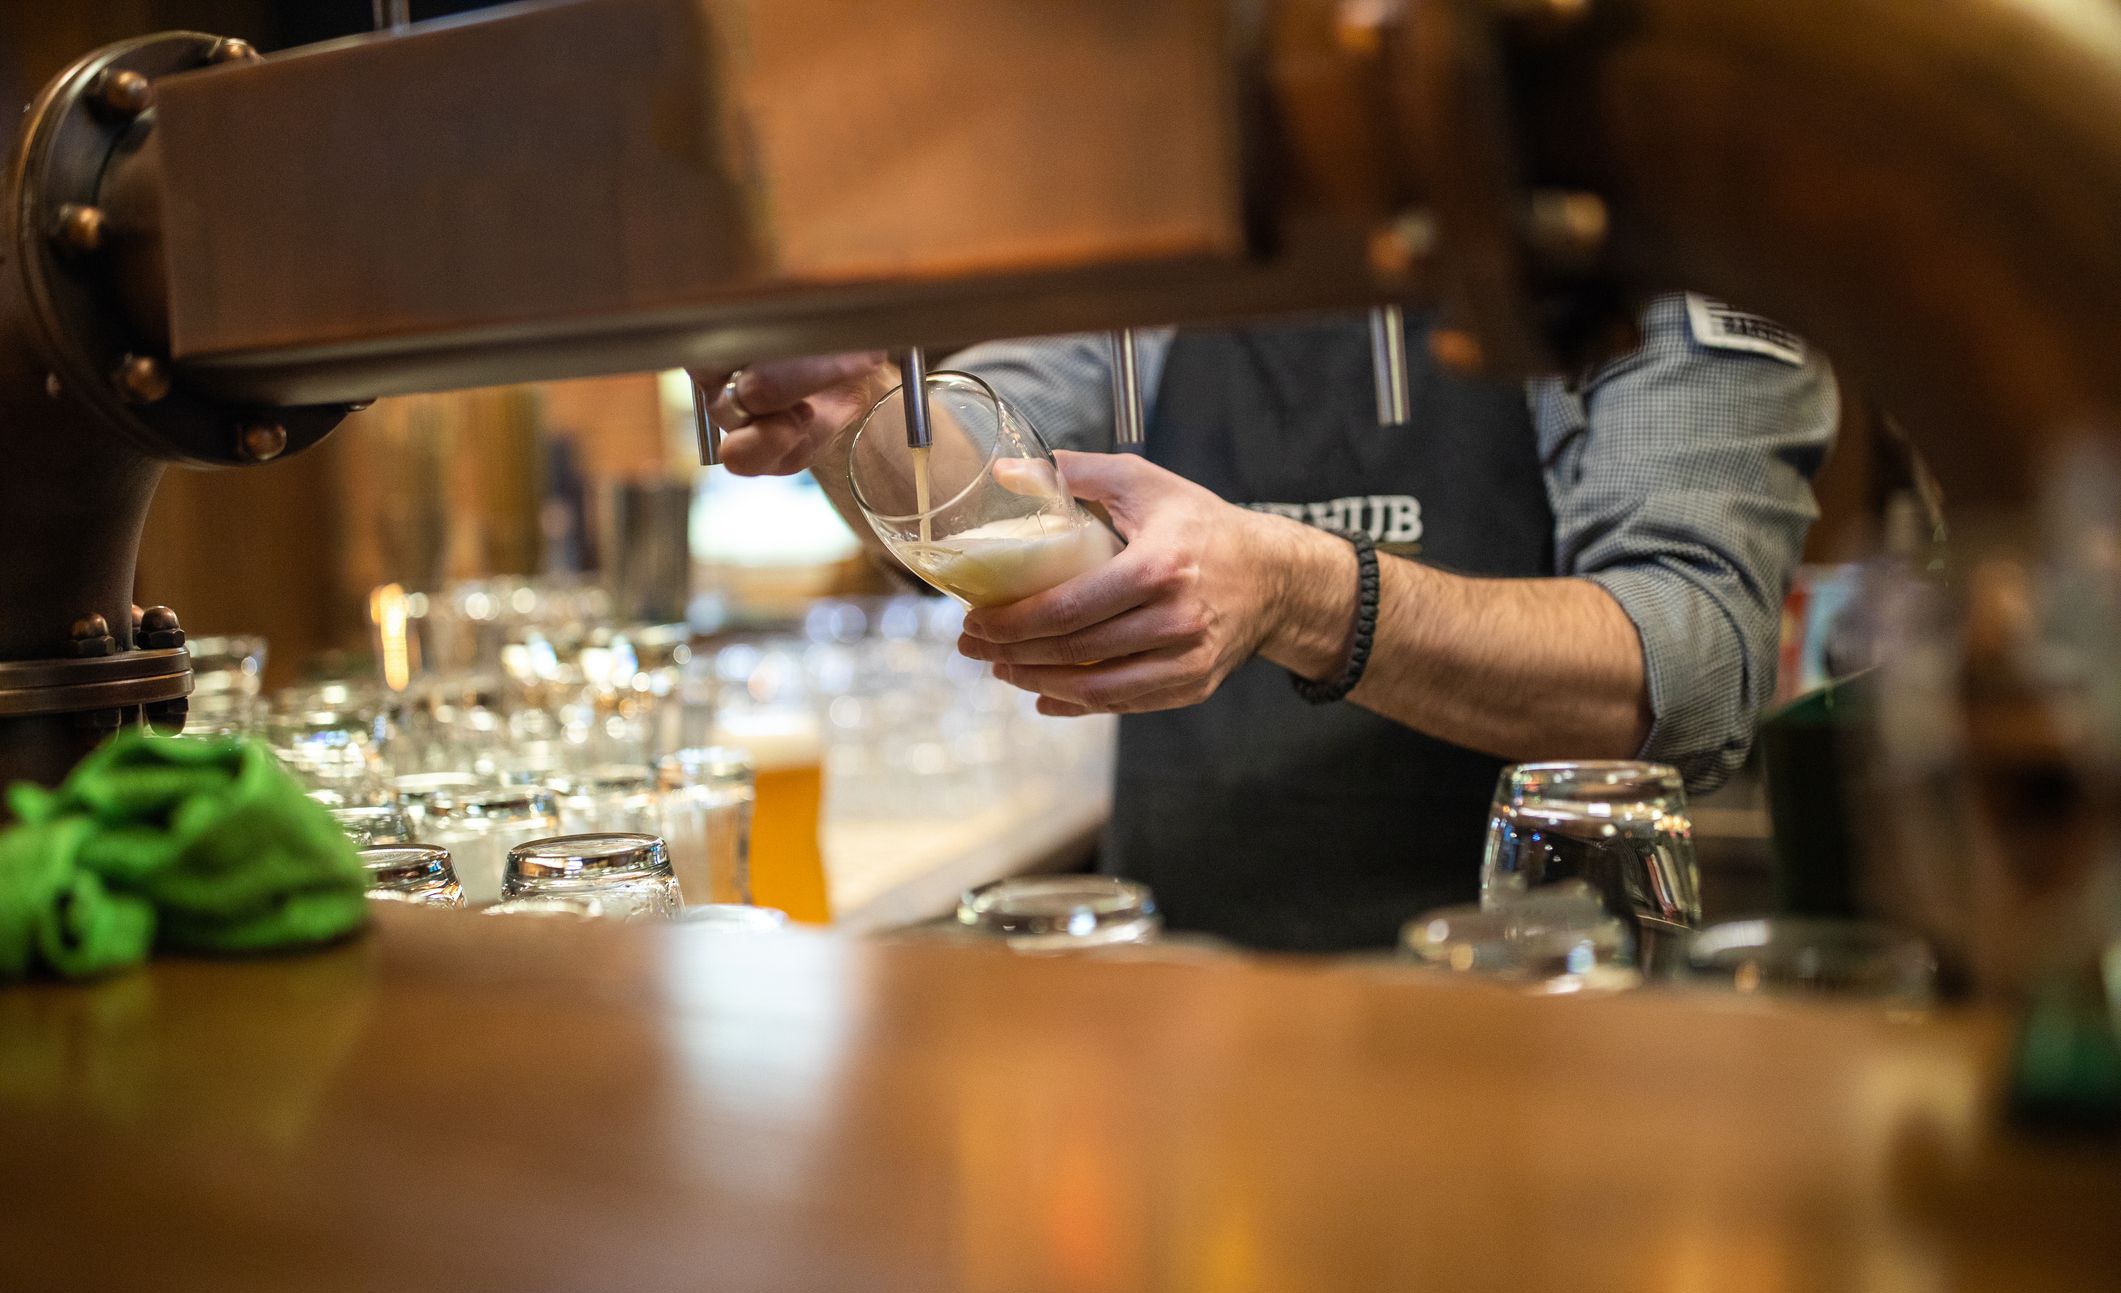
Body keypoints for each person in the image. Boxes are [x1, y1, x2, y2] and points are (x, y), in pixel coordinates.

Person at [695, 294, 1835, 950]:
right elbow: (980, 471)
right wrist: (853, 409)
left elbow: (1691, 659)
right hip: (1192, 1002)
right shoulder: (1170, 261)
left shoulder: (1632, 263)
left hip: (1531, 1020)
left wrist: (1303, 591)